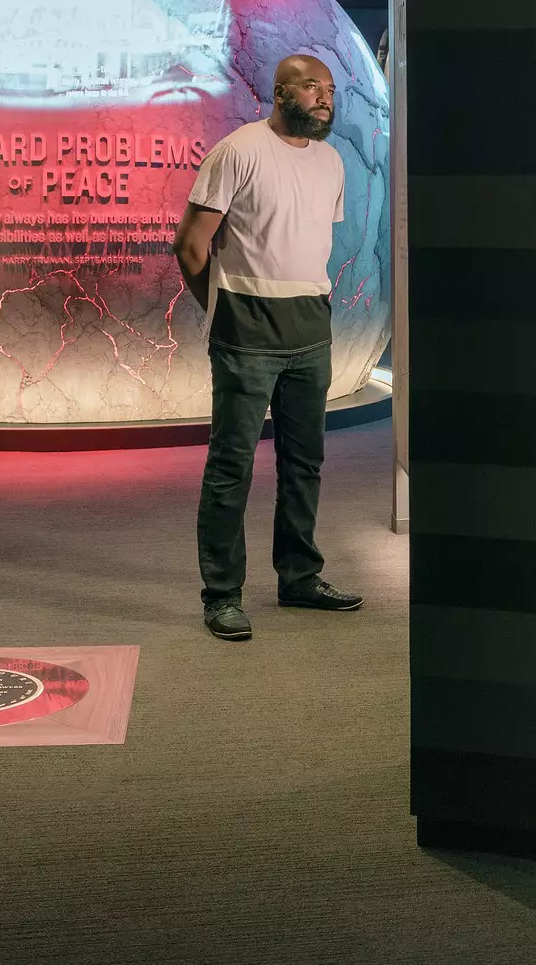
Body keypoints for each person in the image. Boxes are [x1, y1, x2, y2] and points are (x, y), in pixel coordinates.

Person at [174, 53, 362, 641]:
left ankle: (299, 577)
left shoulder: (332, 162)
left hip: (311, 331)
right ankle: (222, 594)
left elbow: (304, 248)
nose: (324, 97)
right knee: (231, 466)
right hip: (246, 334)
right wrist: (225, 310)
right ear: (280, 93)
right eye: (311, 87)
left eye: (329, 89)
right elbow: (190, 245)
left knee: (304, 464)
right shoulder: (238, 151)